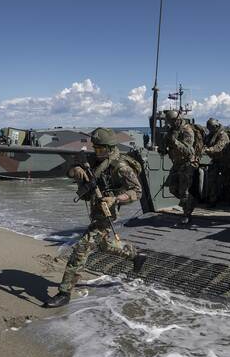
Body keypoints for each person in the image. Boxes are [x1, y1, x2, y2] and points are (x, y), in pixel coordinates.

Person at [44, 128, 143, 308]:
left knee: (81, 250)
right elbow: (69, 169)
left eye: (100, 149)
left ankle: (64, 292)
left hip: (108, 212)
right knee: (104, 244)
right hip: (96, 209)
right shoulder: (95, 160)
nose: (96, 153)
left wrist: (115, 198)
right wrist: (75, 171)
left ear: (109, 148)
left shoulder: (120, 167)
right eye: (95, 149)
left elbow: (137, 191)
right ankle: (135, 255)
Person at [158, 109, 198, 224]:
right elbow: (164, 149)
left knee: (184, 191)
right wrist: (163, 145)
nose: (170, 124)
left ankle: (187, 214)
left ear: (177, 120)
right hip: (177, 164)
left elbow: (188, 151)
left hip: (187, 164)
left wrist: (174, 141)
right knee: (172, 188)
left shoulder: (187, 130)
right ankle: (191, 202)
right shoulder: (172, 131)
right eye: (169, 122)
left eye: (171, 122)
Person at [202, 118, 230, 205]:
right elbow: (205, 143)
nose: (210, 130)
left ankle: (229, 199)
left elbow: (219, 147)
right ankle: (213, 200)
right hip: (216, 160)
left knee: (226, 182)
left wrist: (208, 149)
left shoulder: (223, 135)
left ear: (216, 126)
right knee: (212, 180)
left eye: (211, 128)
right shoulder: (210, 135)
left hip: (226, 161)